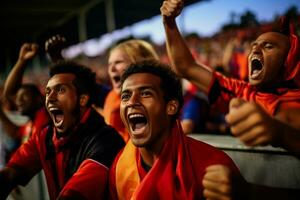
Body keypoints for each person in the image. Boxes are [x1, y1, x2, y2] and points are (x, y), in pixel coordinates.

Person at [161, 0, 300, 155]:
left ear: (290, 61)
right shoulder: (243, 92)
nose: (256, 50)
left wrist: (280, 133)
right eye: (254, 46)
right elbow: (186, 67)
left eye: (268, 46)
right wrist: (169, 23)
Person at [109, 60, 241, 199]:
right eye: (125, 96)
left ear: (171, 107)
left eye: (146, 93)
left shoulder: (213, 165)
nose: (132, 102)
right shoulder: (119, 167)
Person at [0, 61, 125, 199]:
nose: (50, 98)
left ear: (82, 99)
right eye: (48, 91)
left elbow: (74, 196)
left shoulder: (106, 141)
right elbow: (11, 173)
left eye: (60, 90)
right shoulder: (45, 136)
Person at [103, 39, 159, 142]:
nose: (112, 69)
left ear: (140, 63)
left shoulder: (156, 97)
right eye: (109, 64)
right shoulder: (111, 96)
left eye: (118, 62)